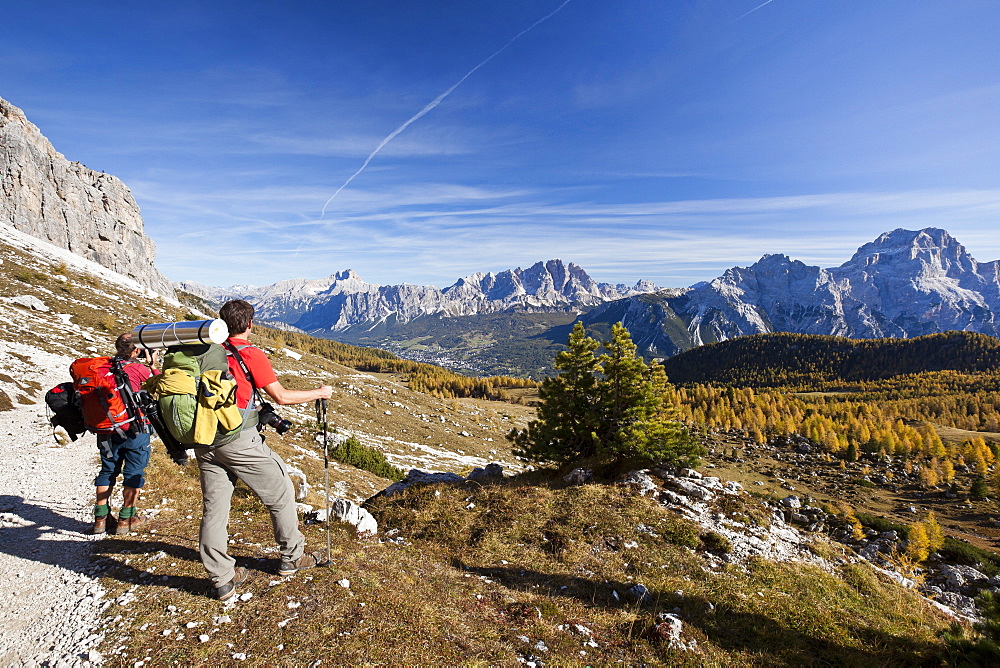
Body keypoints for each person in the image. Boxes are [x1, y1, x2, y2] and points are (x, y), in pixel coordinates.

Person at [195, 299, 333, 601]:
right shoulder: (250, 353)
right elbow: (281, 396)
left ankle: (222, 579)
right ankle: (292, 557)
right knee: (281, 491)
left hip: (205, 439)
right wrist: (320, 393)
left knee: (215, 509)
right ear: (249, 324)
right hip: (238, 440)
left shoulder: (205, 351)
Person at [93, 333, 154, 535]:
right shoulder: (138, 368)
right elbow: (160, 385)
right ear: (136, 350)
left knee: (107, 470)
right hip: (135, 429)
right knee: (134, 472)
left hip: (107, 430)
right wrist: (152, 364)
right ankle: (126, 518)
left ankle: (100, 518)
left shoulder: (103, 367)